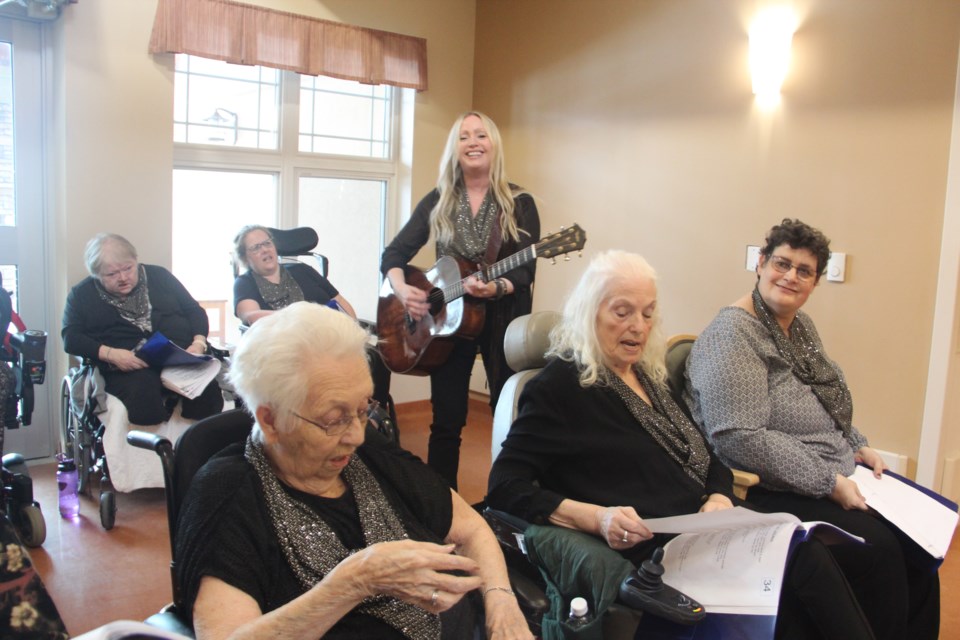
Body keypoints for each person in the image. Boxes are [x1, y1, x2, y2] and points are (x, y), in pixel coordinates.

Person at [487, 250, 879, 640]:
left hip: (711, 528)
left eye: (647, 312)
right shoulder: (559, 389)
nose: (638, 327)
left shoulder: (648, 376)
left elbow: (710, 459)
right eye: (622, 312)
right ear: (590, 313)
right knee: (803, 569)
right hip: (659, 553)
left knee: (808, 553)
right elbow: (504, 485)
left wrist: (719, 497)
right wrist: (596, 518)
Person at [176, 302, 532, 640]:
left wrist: (501, 602)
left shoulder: (368, 450)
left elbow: (469, 528)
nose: (356, 435)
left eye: (363, 410)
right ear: (270, 421)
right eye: (333, 420)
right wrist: (354, 582)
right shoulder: (227, 493)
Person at [684, 218, 940, 639]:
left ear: (815, 282)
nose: (790, 277)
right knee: (881, 551)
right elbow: (738, 439)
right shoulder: (733, 335)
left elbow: (823, 397)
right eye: (782, 264)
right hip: (770, 489)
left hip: (832, 472)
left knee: (919, 549)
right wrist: (828, 482)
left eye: (804, 271)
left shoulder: (799, 326)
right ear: (761, 264)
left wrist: (858, 444)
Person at [380, 111, 540, 489]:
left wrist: (495, 287)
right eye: (464, 136)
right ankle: (443, 504)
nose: (473, 143)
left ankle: (506, 499)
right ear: (455, 148)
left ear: (493, 145)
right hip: (448, 325)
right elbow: (394, 254)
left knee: (508, 414)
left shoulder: (519, 202)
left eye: (481, 135)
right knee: (447, 421)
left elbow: (525, 272)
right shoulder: (439, 200)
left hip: (501, 320)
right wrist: (404, 291)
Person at [62, 233, 223, 426]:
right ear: (97, 274)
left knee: (209, 400)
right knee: (145, 406)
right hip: (129, 366)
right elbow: (71, 338)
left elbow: (194, 311)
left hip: (178, 357)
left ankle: (194, 449)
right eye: (112, 274)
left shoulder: (159, 276)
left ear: (136, 261)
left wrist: (198, 343)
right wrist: (111, 354)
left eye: (128, 268)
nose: (123, 278)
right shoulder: (82, 294)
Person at [233, 224, 392, 410]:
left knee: (376, 352)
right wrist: (304, 316)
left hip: (329, 339)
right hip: (288, 348)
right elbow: (252, 316)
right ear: (245, 257)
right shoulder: (244, 283)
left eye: (267, 243)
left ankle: (374, 413)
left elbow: (340, 302)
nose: (265, 250)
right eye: (256, 248)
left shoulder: (303, 271)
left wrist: (351, 327)